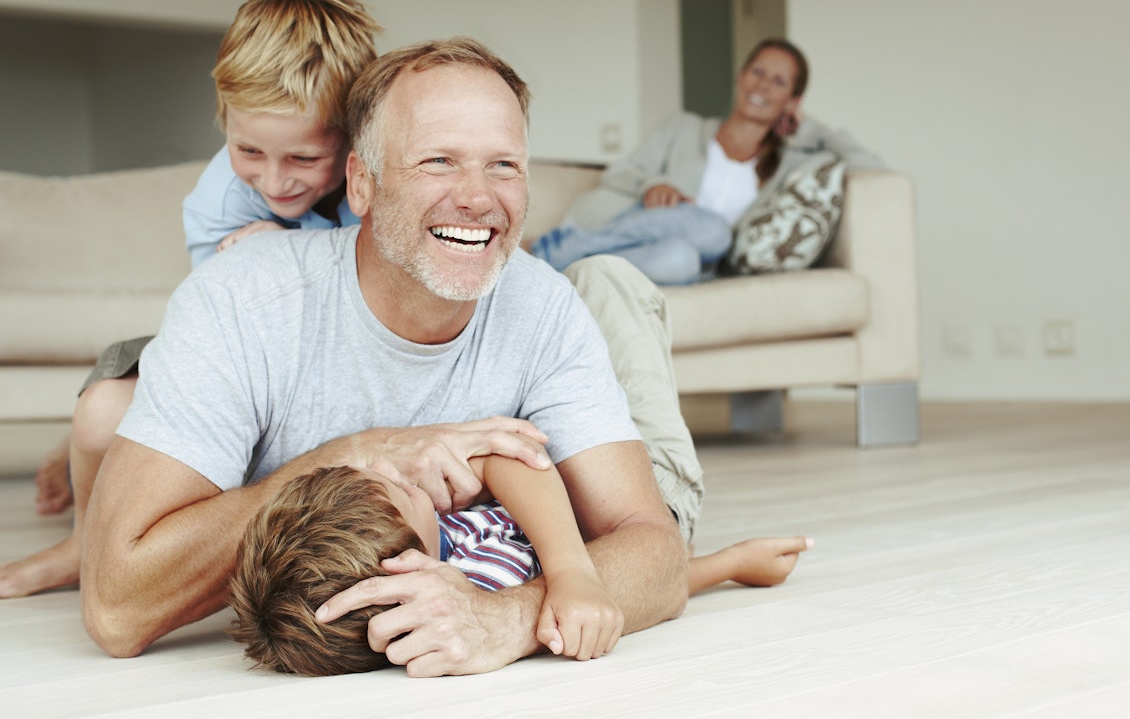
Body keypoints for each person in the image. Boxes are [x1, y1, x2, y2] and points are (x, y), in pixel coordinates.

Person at [80, 37, 692, 678]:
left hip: (573, 431)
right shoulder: (242, 299)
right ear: (362, 184)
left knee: (611, 286)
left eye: (504, 166)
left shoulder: (543, 305)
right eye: (438, 161)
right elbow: (117, 609)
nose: (478, 198)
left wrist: (505, 617)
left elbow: (659, 555)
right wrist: (352, 454)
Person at [0, 0, 382, 599]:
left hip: (341, 374)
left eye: (305, 158)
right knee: (99, 413)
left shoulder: (380, 186)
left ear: (355, 138)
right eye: (248, 150)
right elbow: (220, 329)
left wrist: (289, 248)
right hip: (245, 362)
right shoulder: (221, 199)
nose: (274, 181)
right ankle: (83, 543)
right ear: (222, 120)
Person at [230, 463, 811, 676]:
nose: (415, 477)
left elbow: (501, 457)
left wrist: (569, 569)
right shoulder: (488, 578)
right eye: (407, 490)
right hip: (644, 516)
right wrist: (732, 563)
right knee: (616, 284)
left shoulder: (444, 539)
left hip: (592, 514)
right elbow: (621, 594)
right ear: (407, 565)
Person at [528, 38, 882, 285]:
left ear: (792, 99)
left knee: (685, 258)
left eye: (779, 82)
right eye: (758, 72)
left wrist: (809, 125)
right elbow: (621, 173)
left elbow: (872, 168)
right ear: (740, 76)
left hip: (681, 258)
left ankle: (565, 263)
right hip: (632, 223)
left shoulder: (790, 162)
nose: (763, 86)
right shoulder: (683, 127)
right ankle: (560, 250)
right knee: (712, 229)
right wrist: (655, 185)